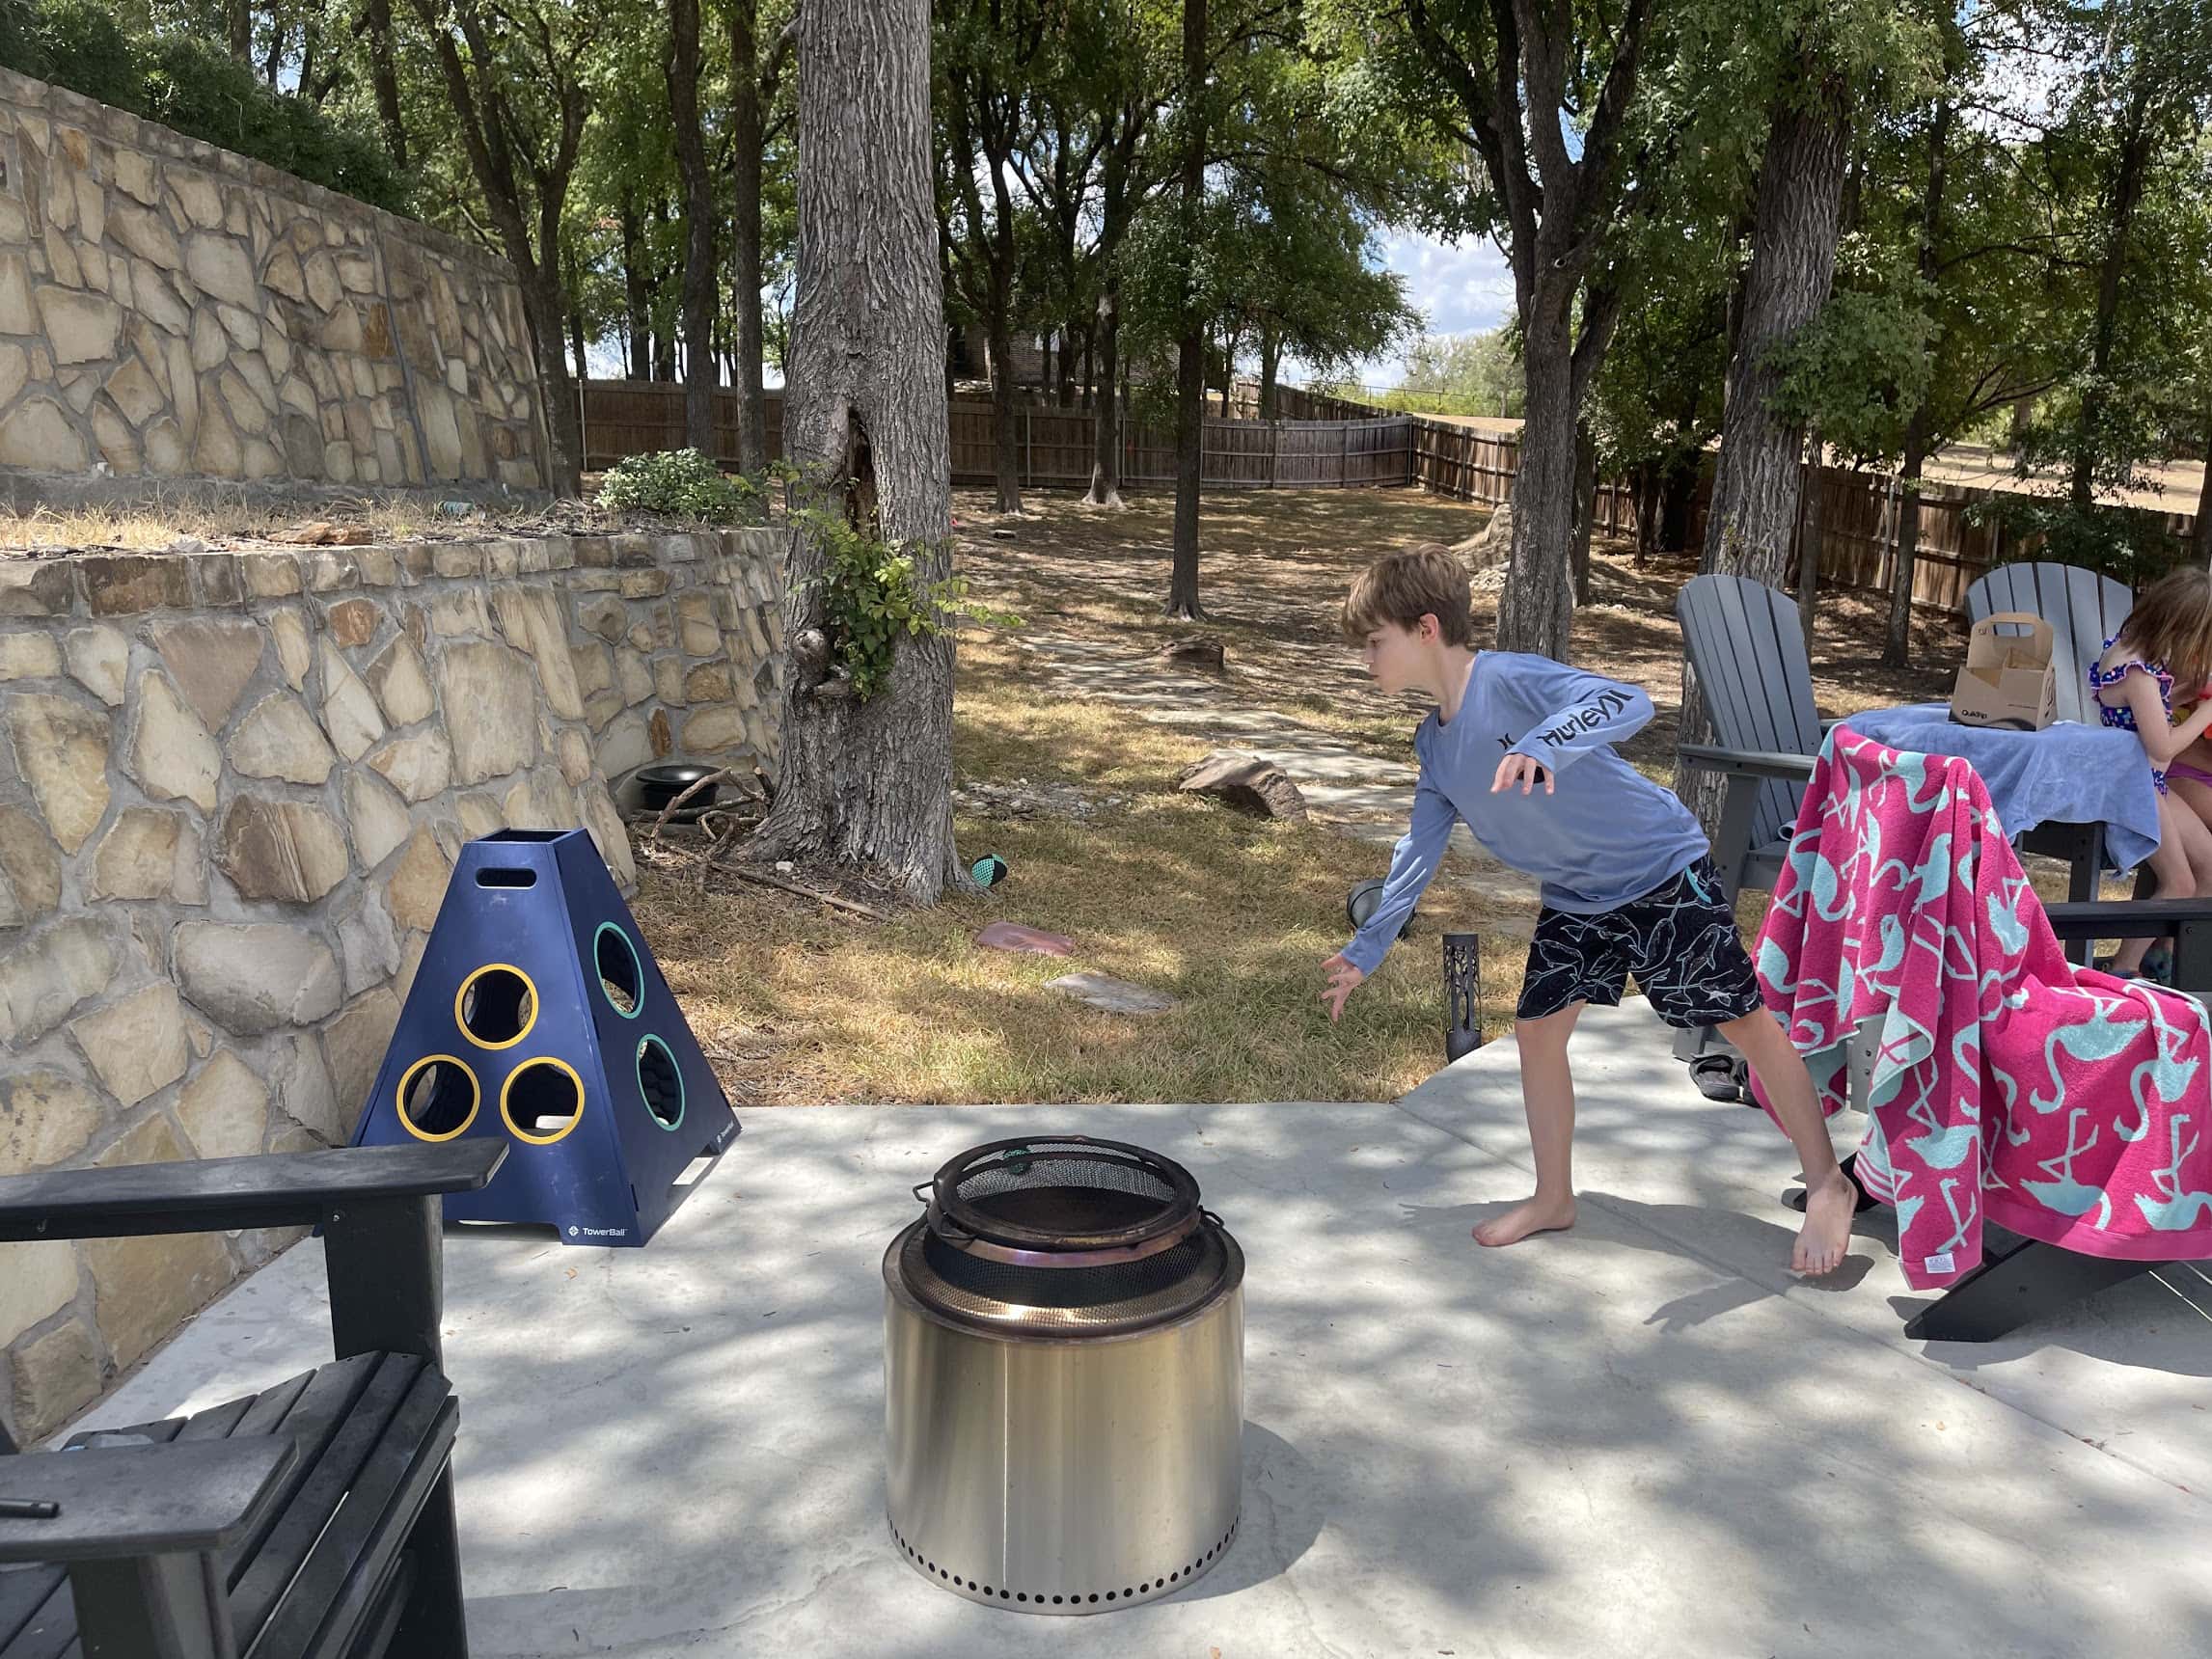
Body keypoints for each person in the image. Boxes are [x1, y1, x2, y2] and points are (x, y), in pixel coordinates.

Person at [1318, 545, 1855, 1275]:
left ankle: (1827, 1183)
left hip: (1658, 869)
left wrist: (1545, 741)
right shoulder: (1433, 746)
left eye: (1374, 644)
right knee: (1536, 1034)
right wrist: (1366, 951)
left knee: (1743, 1024)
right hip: (1577, 897)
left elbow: (1627, 701)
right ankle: (1552, 1197)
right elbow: (1416, 852)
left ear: (1424, 630)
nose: (1366, 661)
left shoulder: (1505, 680)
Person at [2087, 565, 2212, 979]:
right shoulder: (2136, 671)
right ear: (2178, 624)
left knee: (2209, 866)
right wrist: (2205, 712)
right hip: (2131, 787)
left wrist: (2187, 692)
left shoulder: (2130, 652)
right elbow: (2163, 746)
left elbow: (2145, 714)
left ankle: (2169, 962)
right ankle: (2124, 969)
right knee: (2180, 883)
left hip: (2148, 783)